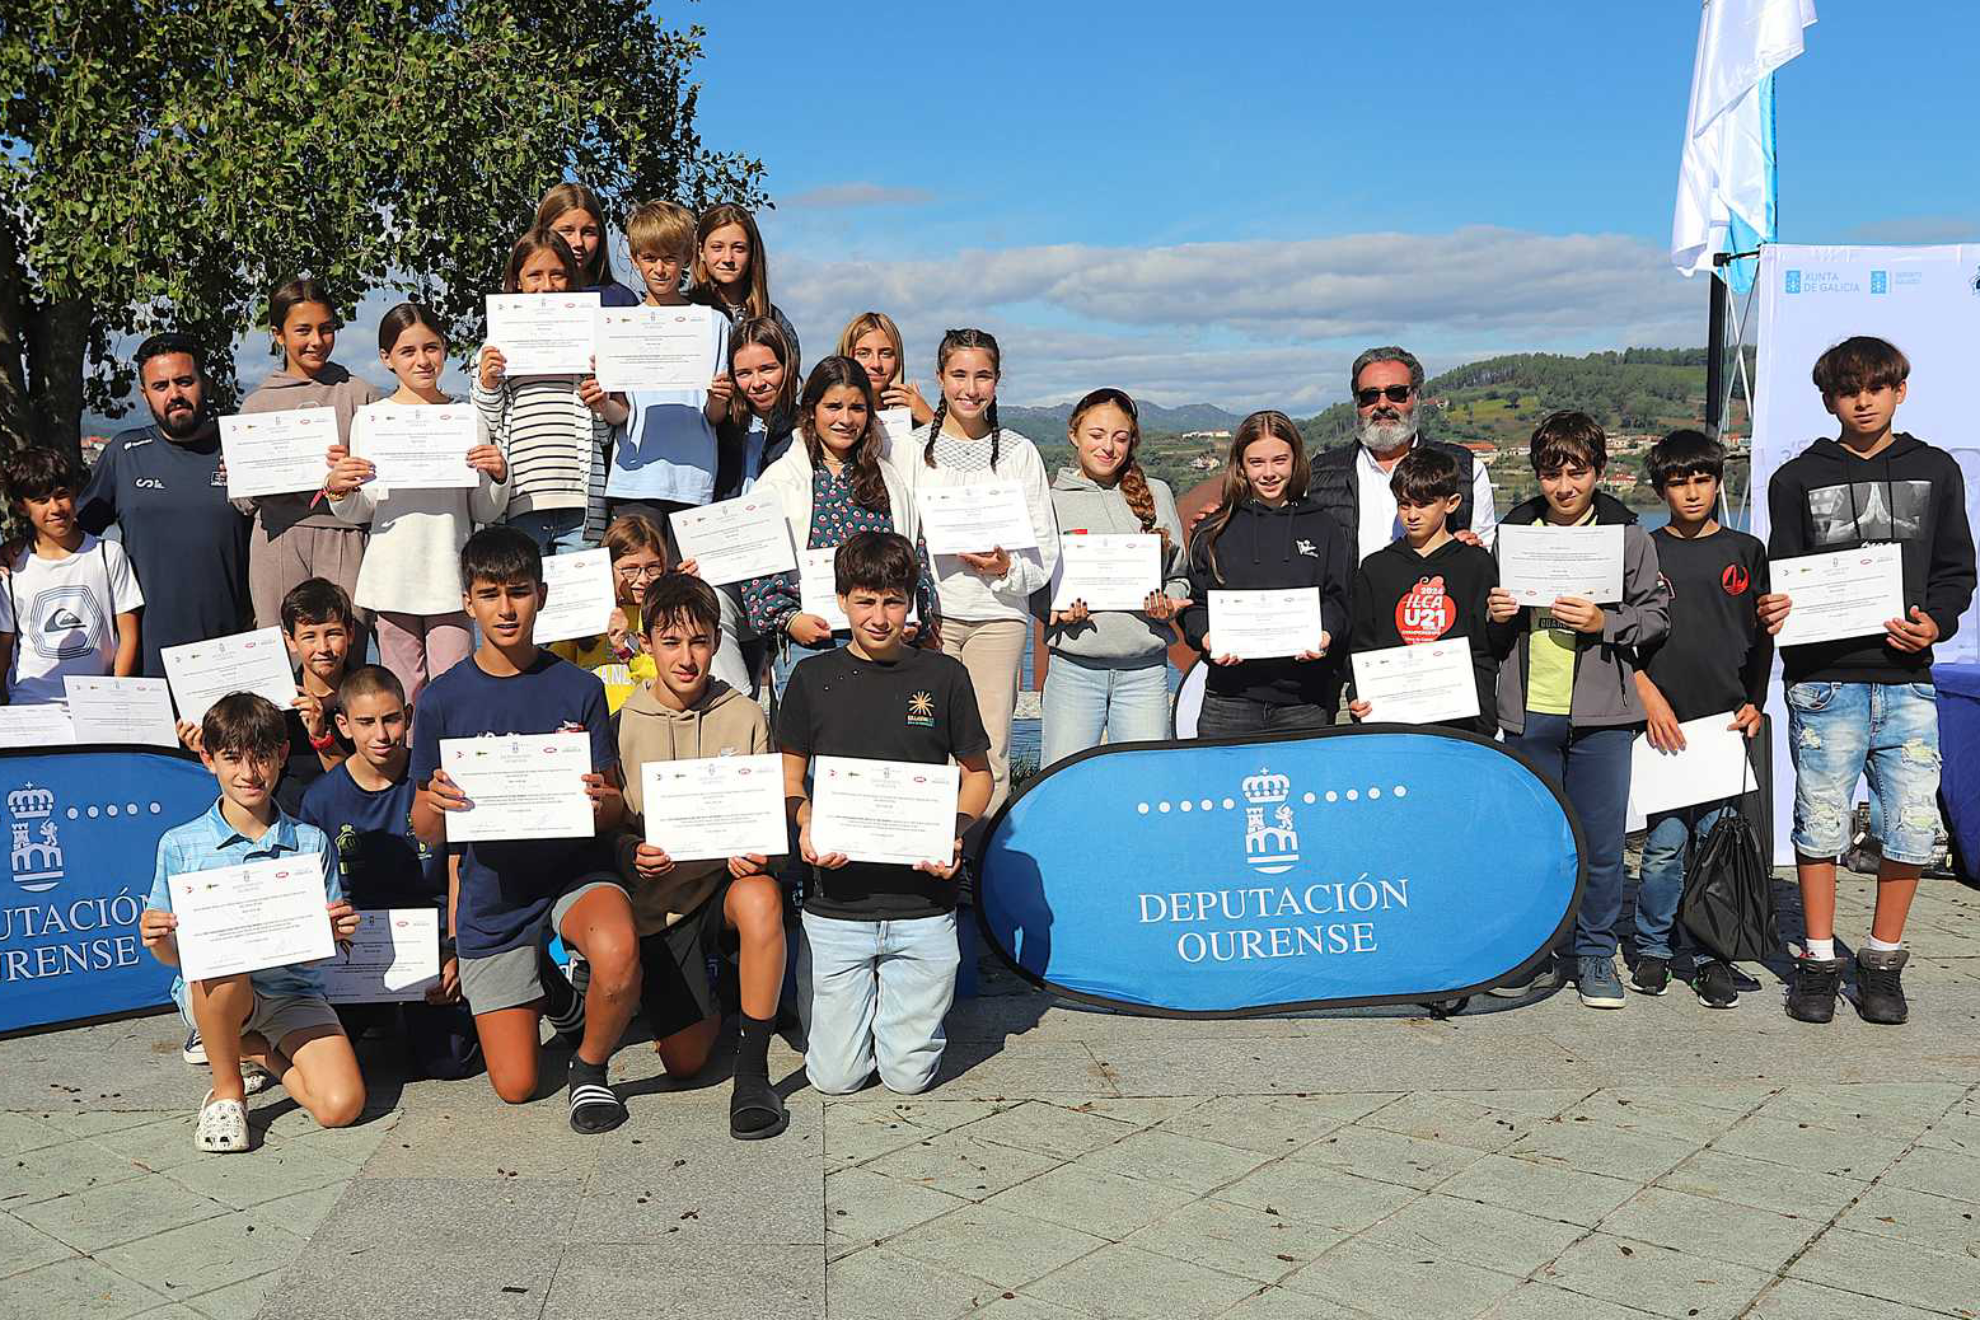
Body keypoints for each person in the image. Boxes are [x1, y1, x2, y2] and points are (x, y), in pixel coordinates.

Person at [1758, 336, 1975, 1025]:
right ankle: (1818, 960)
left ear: (1899, 391)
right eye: (1847, 390)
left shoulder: (1936, 469)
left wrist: (1936, 623)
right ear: (1828, 400)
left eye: (1875, 387)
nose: (1862, 399)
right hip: (1823, 681)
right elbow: (1782, 576)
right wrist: (1775, 605)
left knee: (1910, 827)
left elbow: (1955, 570)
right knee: (1819, 826)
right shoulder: (1796, 478)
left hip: (1907, 678)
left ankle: (1882, 961)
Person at [409, 526, 642, 1133]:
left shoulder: (580, 688)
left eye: (518, 592)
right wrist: (434, 801)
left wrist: (606, 802)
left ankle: (590, 1067)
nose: (505, 608)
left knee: (617, 950)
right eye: (490, 594)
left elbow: (613, 807)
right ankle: (558, 994)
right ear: (468, 603)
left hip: (573, 874)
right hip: (494, 891)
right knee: (514, 1086)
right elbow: (425, 829)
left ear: (541, 594)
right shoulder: (440, 700)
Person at [779, 531, 994, 1094]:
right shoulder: (811, 678)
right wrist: (804, 820)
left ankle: (899, 1020)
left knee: (909, 1077)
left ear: (912, 602)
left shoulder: (943, 677)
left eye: (893, 600)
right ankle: (854, 1014)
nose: (879, 616)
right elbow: (788, 775)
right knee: (835, 1079)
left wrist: (956, 834)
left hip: (922, 906)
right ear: (843, 600)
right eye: (865, 601)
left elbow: (978, 776)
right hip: (837, 906)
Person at [1486, 411, 1668, 1009]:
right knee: (1534, 840)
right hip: (1529, 711)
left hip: (1603, 718)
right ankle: (1536, 949)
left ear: (1599, 472)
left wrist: (1605, 623)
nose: (1564, 487)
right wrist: (1497, 613)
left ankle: (1595, 953)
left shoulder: (1629, 536)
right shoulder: (1513, 533)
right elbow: (1490, 626)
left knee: (1602, 842)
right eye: (1551, 474)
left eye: (1577, 473)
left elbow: (1657, 616)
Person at [139, 692, 366, 1153]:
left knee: (341, 1107)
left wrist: (337, 932)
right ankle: (227, 1092)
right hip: (216, 995)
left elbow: (325, 944)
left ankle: (254, 1049)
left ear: (282, 756)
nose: (249, 773)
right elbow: (174, 958)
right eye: (232, 759)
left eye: (262, 757)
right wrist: (157, 938)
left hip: (292, 993)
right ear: (207, 759)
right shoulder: (180, 844)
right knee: (220, 964)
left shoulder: (310, 842)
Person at [614, 573, 791, 1137]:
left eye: (698, 641)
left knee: (762, 898)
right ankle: (713, 993)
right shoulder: (619, 725)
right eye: (670, 642)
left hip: (727, 891)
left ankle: (754, 1070)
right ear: (647, 645)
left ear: (717, 641)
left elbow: (774, 828)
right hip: (661, 906)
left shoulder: (748, 716)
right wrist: (631, 855)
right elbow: (609, 829)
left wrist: (762, 856)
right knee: (685, 1063)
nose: (686, 658)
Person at [1629, 430, 1771, 1008]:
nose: (1691, 492)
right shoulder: (1645, 548)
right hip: (1662, 723)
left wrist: (1755, 700)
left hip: (1723, 725)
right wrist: (1646, 698)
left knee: (1720, 841)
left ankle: (1714, 953)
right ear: (1661, 488)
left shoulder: (1746, 549)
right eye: (1678, 482)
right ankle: (1653, 948)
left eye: (1702, 480)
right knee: (1664, 846)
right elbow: (1625, 640)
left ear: (1718, 482)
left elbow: (1763, 636)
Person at [905, 328, 1058, 824]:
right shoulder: (907, 451)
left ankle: (977, 859)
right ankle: (923, 859)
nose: (971, 389)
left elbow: (1044, 550)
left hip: (997, 619)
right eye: (959, 375)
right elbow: (899, 537)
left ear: (998, 380)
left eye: (983, 376)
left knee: (989, 747)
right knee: (925, 741)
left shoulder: (1018, 452)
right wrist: (911, 609)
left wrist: (1007, 569)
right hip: (933, 620)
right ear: (939, 378)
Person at [300, 666, 479, 1080]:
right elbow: (316, 895)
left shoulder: (435, 783)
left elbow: (458, 867)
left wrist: (456, 950)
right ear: (343, 725)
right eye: (365, 722)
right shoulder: (320, 800)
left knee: (449, 1064)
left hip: (430, 946)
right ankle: (379, 1015)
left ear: (409, 716)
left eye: (391, 718)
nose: (381, 734)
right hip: (354, 954)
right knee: (321, 1062)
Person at [328, 302, 509, 706]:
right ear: (386, 358)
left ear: (444, 348)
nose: (422, 360)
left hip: (449, 575)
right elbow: (363, 510)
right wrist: (340, 490)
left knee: (454, 688)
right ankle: (410, 768)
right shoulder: (371, 420)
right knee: (401, 692)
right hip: (393, 578)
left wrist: (498, 475)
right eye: (408, 351)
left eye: (431, 347)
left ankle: (449, 766)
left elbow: (483, 510)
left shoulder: (467, 417)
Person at [744, 357, 936, 699]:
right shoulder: (780, 481)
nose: (845, 419)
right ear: (811, 410)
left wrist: (913, 616)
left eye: (857, 408)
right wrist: (789, 621)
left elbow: (914, 557)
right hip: (811, 644)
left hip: (884, 641)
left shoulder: (889, 481)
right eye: (833, 406)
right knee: (813, 747)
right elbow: (758, 567)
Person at [77, 333, 252, 678]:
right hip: (145, 657)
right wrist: (22, 550)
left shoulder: (240, 446)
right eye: (160, 386)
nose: (174, 395)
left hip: (232, 652)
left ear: (206, 382)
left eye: (184, 381)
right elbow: (74, 535)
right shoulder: (123, 454)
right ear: (145, 395)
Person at [1035, 388, 1190, 765]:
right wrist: (1053, 609)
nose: (1108, 447)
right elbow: (1035, 583)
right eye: (1096, 435)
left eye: (1120, 438)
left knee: (1143, 786)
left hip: (1145, 672)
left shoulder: (1157, 493)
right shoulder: (1048, 498)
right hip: (1074, 671)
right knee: (1063, 785)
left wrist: (1169, 603)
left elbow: (1180, 576)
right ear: (1074, 434)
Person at [1178, 411, 1351, 735]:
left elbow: (1338, 601)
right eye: (1257, 462)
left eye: (1279, 460)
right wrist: (1207, 637)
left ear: (1295, 460)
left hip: (1304, 702)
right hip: (1228, 701)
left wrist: (1325, 633)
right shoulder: (1213, 531)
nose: (1269, 473)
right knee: (1222, 786)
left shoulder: (1324, 526)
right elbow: (1195, 606)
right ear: (1240, 465)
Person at [237, 277, 381, 642]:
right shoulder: (256, 405)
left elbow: (382, 487)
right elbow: (241, 503)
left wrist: (355, 472)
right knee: (282, 650)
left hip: (345, 538)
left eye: (326, 329)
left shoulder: (361, 394)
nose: (316, 341)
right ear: (278, 335)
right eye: (303, 330)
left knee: (345, 646)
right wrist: (244, 473)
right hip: (278, 538)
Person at [475, 227, 629, 554]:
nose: (547, 286)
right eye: (535, 275)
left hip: (581, 501)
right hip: (520, 499)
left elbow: (604, 435)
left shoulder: (591, 341)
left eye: (557, 275)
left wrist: (601, 403)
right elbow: (485, 425)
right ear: (517, 281)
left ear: (571, 279)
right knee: (524, 595)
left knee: (577, 601)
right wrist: (488, 383)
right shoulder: (496, 344)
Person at [1345, 446, 1509, 735]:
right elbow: (1361, 646)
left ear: (1452, 502)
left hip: (1464, 725)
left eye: (1424, 504)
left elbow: (1489, 647)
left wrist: (1502, 621)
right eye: (1404, 504)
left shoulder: (1478, 564)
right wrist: (1357, 694)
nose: (1412, 515)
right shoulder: (1375, 568)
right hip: (1393, 721)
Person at [606, 199, 734, 532]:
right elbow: (620, 414)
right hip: (634, 477)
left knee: (686, 581)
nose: (660, 269)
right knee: (639, 576)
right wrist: (600, 401)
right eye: (649, 258)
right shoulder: (618, 324)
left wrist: (720, 397)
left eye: (669, 258)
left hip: (693, 478)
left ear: (688, 258)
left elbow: (713, 414)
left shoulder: (714, 323)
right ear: (635, 259)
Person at [1308, 346, 1498, 561]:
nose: (1382, 404)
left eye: (1396, 393)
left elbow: (1488, 552)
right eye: (1369, 396)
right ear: (1357, 403)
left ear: (1416, 397)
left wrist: (1470, 549)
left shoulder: (1465, 469)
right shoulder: (1318, 475)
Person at [0, 446, 143, 704]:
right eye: (41, 501)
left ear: (76, 493)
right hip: (30, 704)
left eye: (61, 495)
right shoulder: (12, 568)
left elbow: (129, 635)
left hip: (97, 704)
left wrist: (116, 694)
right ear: (22, 508)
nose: (55, 508)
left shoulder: (108, 554)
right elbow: (5, 644)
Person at [549, 513, 668, 712]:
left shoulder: (663, 616)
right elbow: (553, 670)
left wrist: (626, 650)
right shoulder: (589, 611)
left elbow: (665, 682)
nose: (643, 579)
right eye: (630, 570)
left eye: (653, 568)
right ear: (607, 566)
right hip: (592, 722)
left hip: (643, 724)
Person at [691, 204, 800, 366]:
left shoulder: (775, 321)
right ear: (701, 251)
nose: (728, 258)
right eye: (717, 247)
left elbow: (788, 384)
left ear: (752, 253)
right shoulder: (682, 312)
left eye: (738, 248)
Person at [535, 181, 641, 307]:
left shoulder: (621, 300)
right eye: (567, 231)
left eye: (588, 232)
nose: (578, 242)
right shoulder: (524, 298)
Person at [836, 311, 936, 439]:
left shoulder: (913, 417)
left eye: (886, 354)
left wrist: (930, 420)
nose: (876, 364)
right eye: (864, 354)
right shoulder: (830, 413)